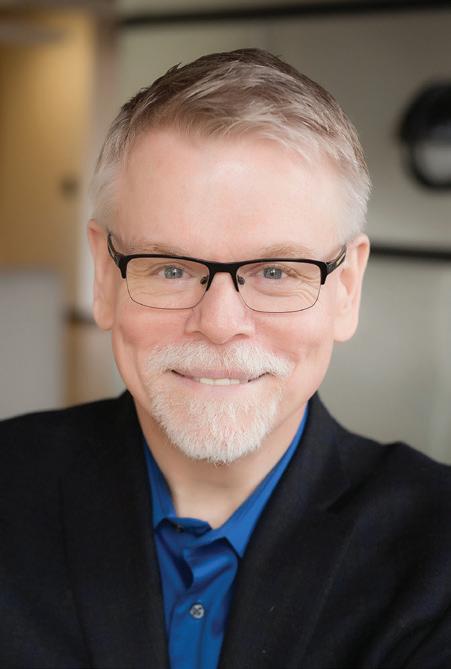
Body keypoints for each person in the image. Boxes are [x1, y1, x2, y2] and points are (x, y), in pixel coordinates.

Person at [1, 48, 450, 669]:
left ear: (346, 289)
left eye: (275, 271)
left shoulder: (437, 554)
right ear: (104, 276)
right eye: (170, 268)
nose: (218, 323)